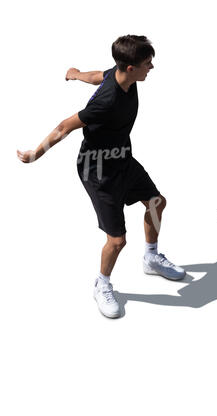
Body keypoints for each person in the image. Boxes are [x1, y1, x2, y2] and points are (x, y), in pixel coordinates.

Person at [16, 35, 185, 319]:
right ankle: (102, 284)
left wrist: (75, 74)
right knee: (117, 241)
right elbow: (64, 126)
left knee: (156, 203)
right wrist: (36, 154)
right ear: (130, 67)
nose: (151, 67)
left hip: (122, 160)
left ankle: (151, 256)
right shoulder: (107, 102)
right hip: (97, 172)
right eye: (147, 63)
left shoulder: (121, 75)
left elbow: (98, 75)